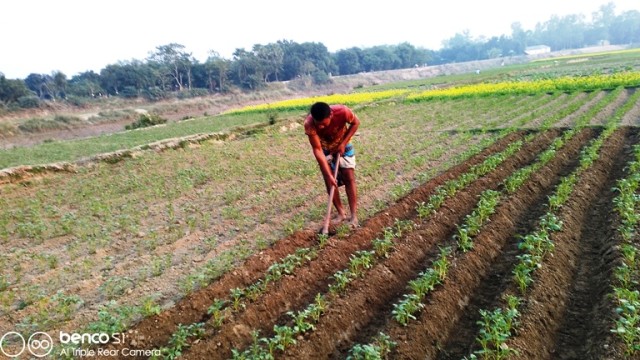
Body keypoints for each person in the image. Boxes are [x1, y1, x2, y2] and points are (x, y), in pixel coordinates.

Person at [304, 102, 360, 229]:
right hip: (325, 150)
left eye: (324, 123)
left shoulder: (343, 112)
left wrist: (343, 144)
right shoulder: (309, 124)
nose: (322, 127)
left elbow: (356, 123)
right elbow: (317, 150)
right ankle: (341, 213)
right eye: (319, 125)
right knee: (330, 183)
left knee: (349, 177)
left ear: (331, 115)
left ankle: (354, 216)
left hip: (343, 145)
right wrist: (329, 174)